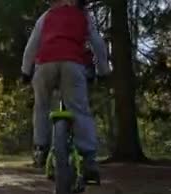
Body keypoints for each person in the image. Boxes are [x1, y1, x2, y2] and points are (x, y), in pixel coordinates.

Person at [21, 0, 110, 182]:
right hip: (72, 64)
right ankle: (88, 159)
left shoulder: (47, 16)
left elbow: (32, 45)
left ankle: (41, 148)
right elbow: (97, 44)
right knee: (79, 110)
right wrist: (103, 71)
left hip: (45, 63)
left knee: (42, 106)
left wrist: (25, 70)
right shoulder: (83, 15)